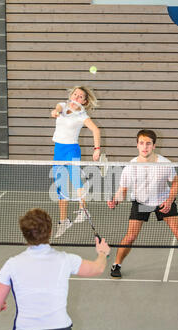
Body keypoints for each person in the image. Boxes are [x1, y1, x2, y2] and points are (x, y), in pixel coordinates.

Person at [0, 208, 110, 330]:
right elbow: (98, 268)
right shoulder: (66, 259)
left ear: (24, 234)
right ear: (50, 231)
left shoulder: (12, 264)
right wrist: (102, 253)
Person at [107, 129, 178, 281]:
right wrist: (115, 200)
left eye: (148, 143)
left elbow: (176, 181)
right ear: (137, 145)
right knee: (131, 236)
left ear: (154, 146)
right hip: (142, 203)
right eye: (141, 143)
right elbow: (123, 189)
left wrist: (170, 199)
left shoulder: (165, 164)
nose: (144, 147)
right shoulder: (130, 167)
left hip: (162, 202)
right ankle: (116, 264)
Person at [51, 86, 101, 238]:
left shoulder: (82, 115)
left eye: (81, 97)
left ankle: (82, 210)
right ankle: (63, 220)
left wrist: (97, 148)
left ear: (84, 102)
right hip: (58, 150)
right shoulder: (63, 105)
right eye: (75, 94)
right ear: (71, 96)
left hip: (71, 150)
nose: (77, 98)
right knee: (60, 184)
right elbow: (57, 108)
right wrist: (56, 111)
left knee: (74, 178)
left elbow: (96, 130)